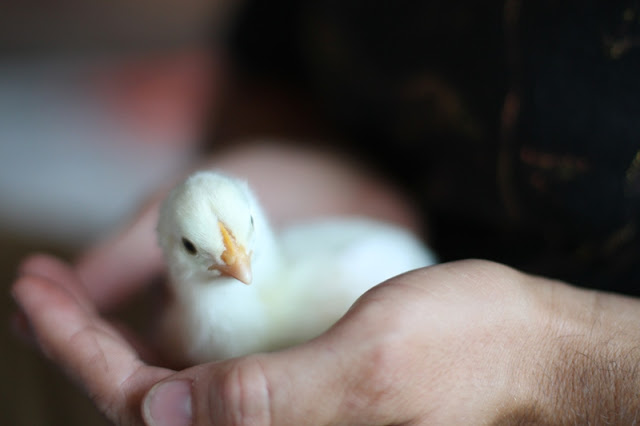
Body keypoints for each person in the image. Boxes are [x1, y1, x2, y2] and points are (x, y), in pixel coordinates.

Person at [11, 1, 640, 424]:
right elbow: (270, 63)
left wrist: (546, 362)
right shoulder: (193, 315)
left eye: (238, 240)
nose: (236, 263)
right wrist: (296, 148)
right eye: (199, 249)